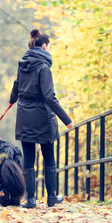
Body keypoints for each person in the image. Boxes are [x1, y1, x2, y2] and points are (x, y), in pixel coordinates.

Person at [9, 29, 73, 208]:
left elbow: (17, 84)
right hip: (42, 117)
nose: (50, 49)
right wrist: (66, 119)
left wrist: (12, 100)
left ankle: (30, 200)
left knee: (28, 159)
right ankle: (51, 197)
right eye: (50, 46)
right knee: (48, 156)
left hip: (24, 115)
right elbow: (49, 96)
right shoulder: (44, 67)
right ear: (44, 46)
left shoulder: (23, 63)